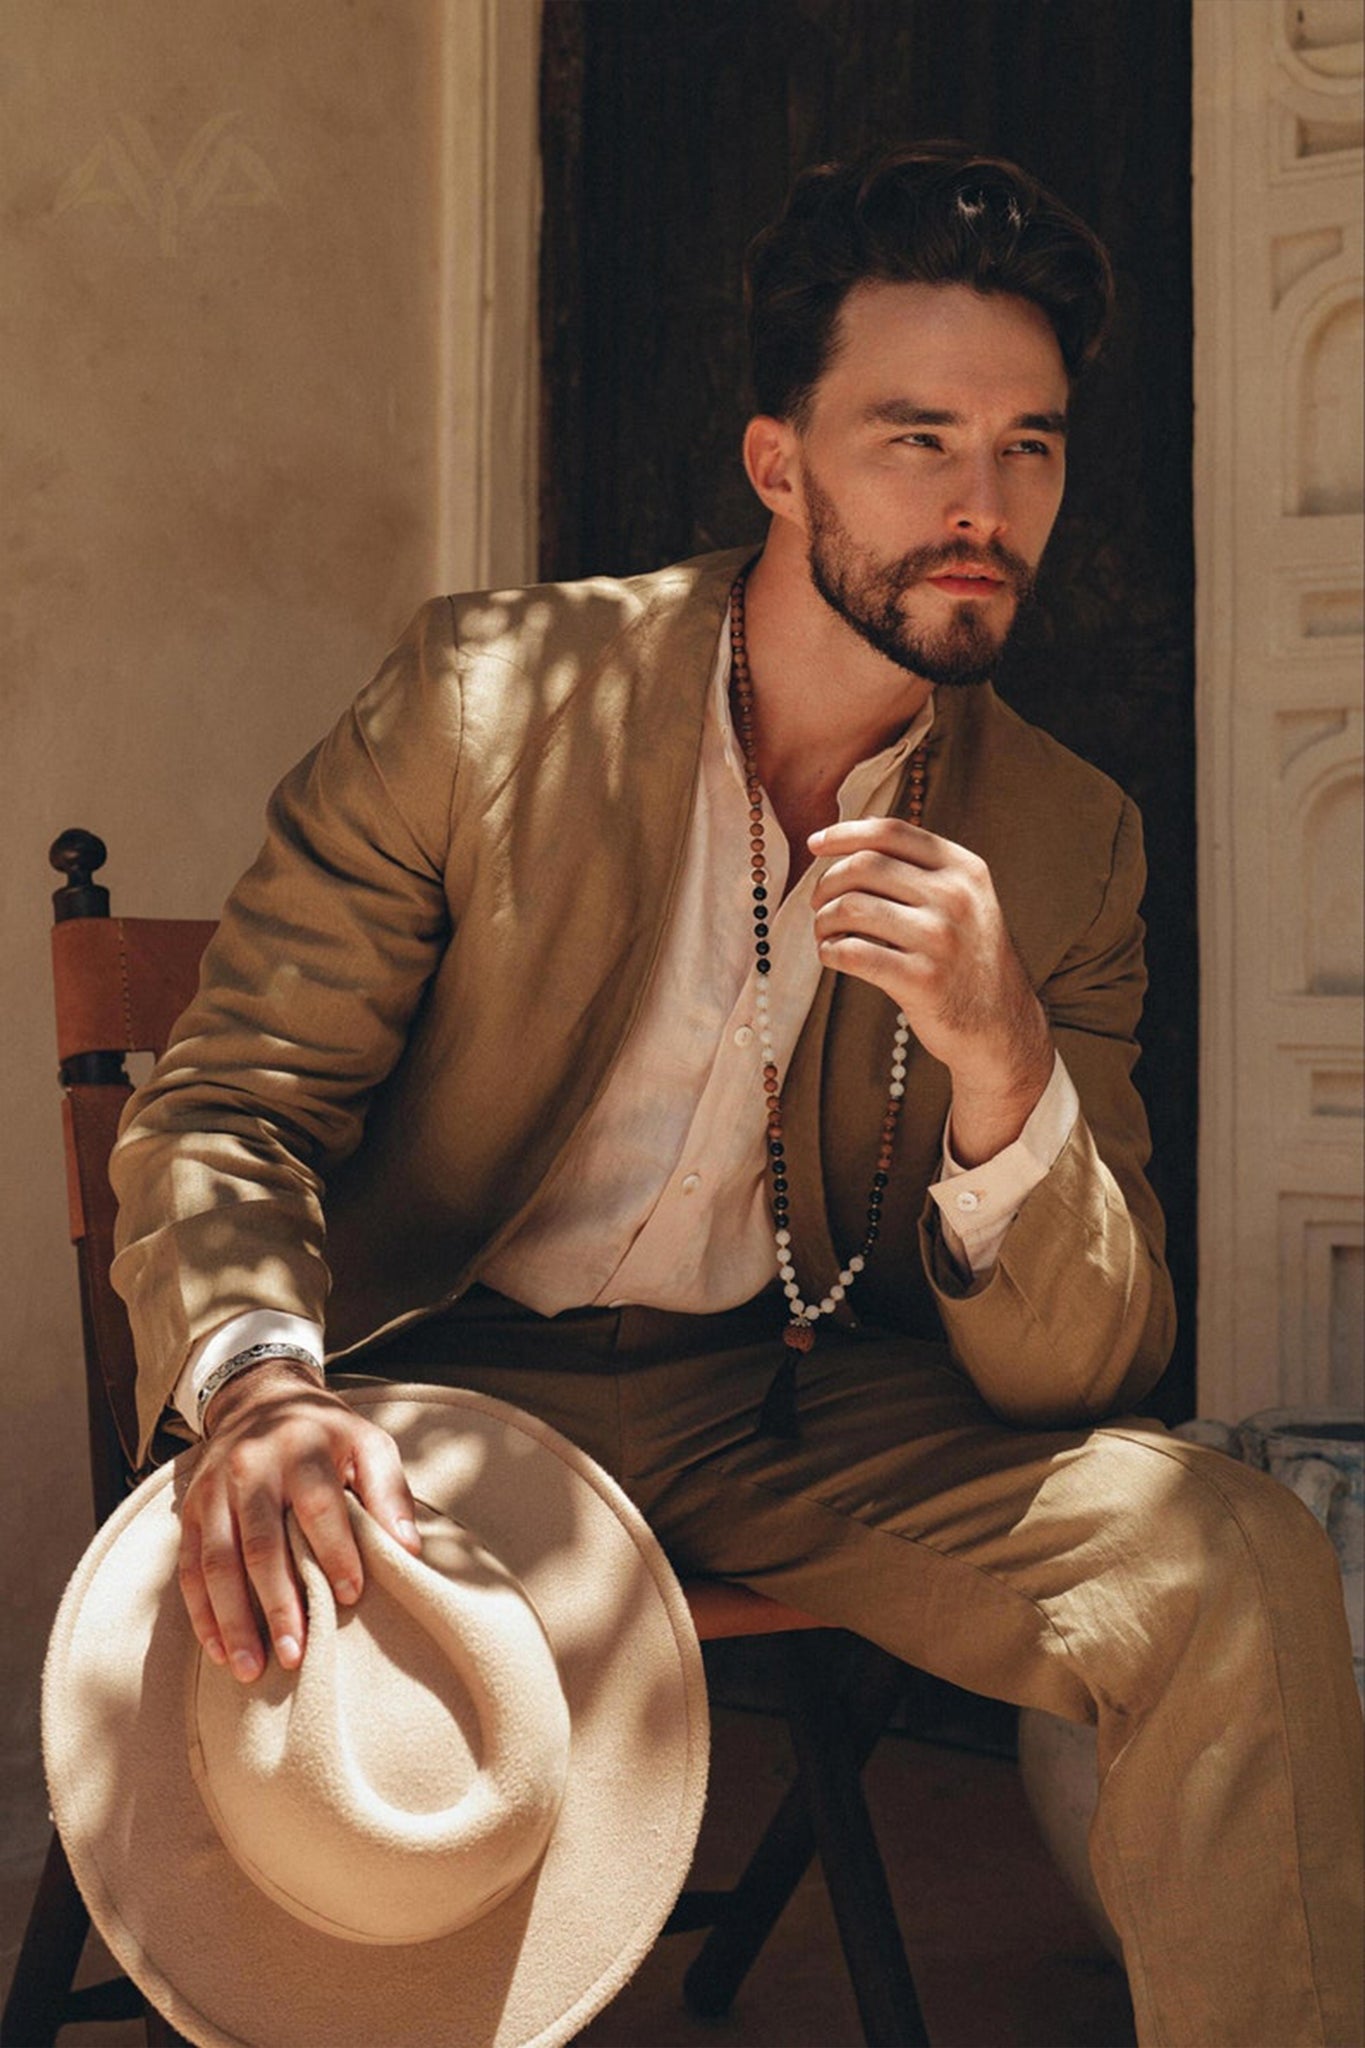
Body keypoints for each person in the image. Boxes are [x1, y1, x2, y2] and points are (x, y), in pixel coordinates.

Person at [110, 144, 1361, 2045]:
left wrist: (1000, 1059)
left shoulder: (1069, 840)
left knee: (1226, 1551)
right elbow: (232, 1104)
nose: (980, 505)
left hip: (780, 1409)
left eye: (1026, 446)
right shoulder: (490, 700)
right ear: (779, 462)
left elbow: (1087, 1371)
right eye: (914, 437)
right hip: (430, 1396)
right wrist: (260, 1386)